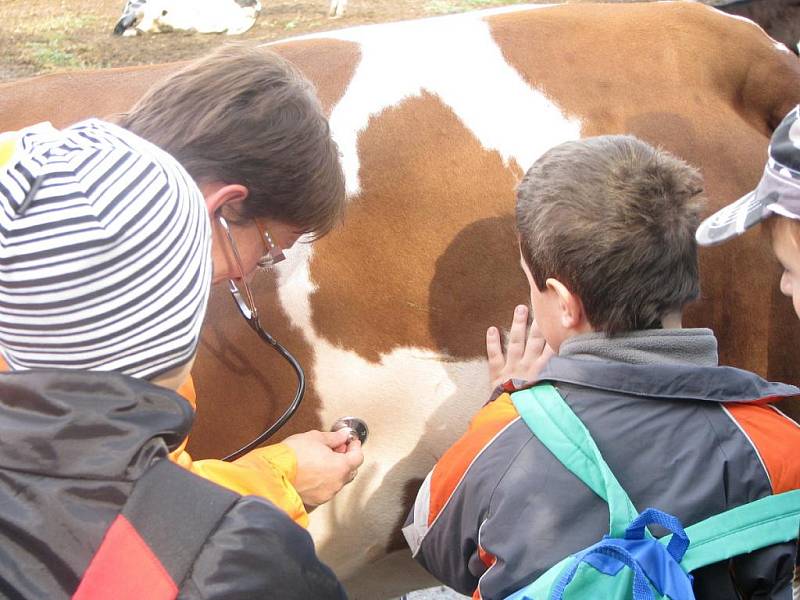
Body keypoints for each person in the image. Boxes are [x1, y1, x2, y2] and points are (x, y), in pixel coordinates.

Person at [402, 135, 800, 599]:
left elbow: (430, 538)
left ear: (566, 304)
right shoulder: (779, 446)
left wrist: (509, 404)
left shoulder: (502, 438)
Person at [0, 43, 363, 528]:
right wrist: (284, 480)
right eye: (273, 247)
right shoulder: (116, 315)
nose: (247, 272)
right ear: (223, 208)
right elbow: (113, 512)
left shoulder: (22, 177)